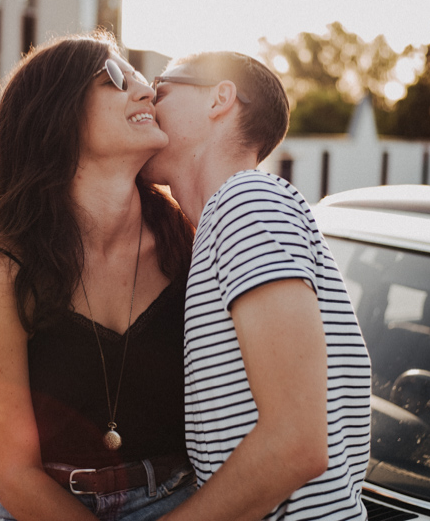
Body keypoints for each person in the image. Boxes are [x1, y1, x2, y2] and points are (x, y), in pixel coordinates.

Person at [0, 32, 197, 521]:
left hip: (170, 498)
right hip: (29, 503)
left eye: (142, 78)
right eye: (114, 76)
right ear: (56, 114)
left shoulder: (190, 245)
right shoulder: (0, 269)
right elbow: (16, 475)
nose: (147, 91)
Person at [142, 51, 372, 520]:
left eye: (162, 89)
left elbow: (296, 444)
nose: (147, 98)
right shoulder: (225, 221)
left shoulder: (247, 203)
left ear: (220, 98)